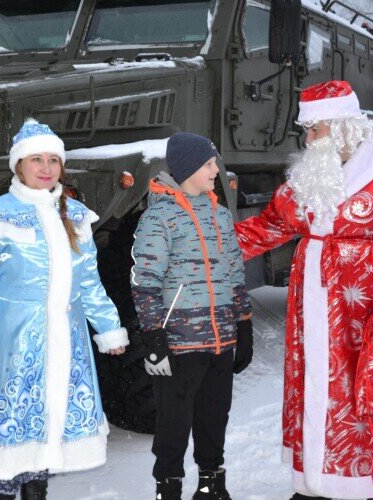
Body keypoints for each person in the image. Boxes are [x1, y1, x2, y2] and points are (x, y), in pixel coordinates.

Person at [234, 80, 373, 500]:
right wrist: (204, 240)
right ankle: (314, 481)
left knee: (360, 393)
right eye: (306, 131)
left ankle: (363, 484)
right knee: (312, 386)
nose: (307, 140)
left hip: (364, 313)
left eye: (315, 131)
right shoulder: (310, 177)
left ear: (343, 127)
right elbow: (268, 226)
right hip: (310, 307)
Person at [0, 119, 129, 500]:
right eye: (36, 159)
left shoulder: (76, 217)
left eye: (53, 160)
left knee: (49, 434)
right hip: (13, 345)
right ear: (19, 165)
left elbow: (88, 282)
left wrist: (108, 327)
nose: (46, 168)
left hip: (65, 343)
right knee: (12, 439)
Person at [130, 132, 253, 500]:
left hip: (220, 340)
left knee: (214, 416)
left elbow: (234, 272)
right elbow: (144, 280)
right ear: (187, 169)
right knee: (174, 422)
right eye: (208, 164)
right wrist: (152, 337)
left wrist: (243, 323)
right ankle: (168, 487)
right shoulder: (159, 218)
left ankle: (211, 484)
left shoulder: (218, 213)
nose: (216, 170)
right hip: (180, 342)